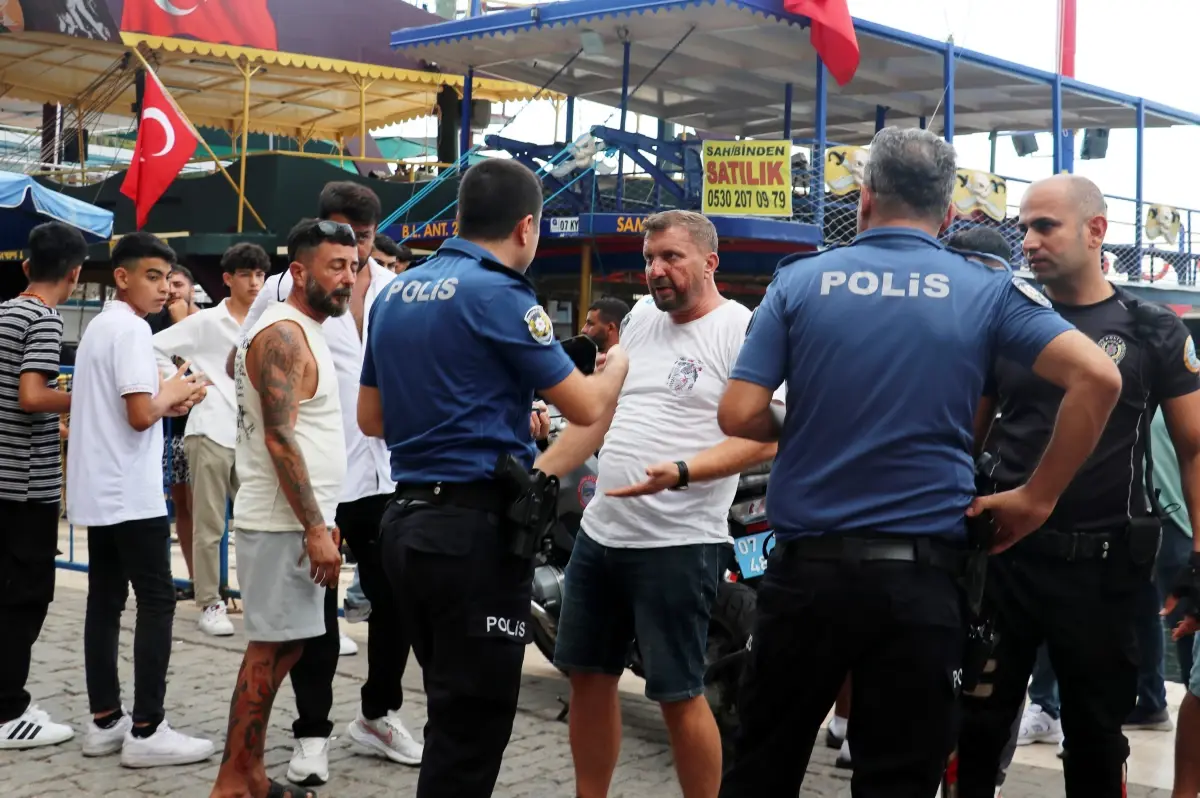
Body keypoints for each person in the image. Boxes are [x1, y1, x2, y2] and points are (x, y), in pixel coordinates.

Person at [714, 127, 1123, 798]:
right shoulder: (987, 290)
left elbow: (737, 416)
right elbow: (1099, 379)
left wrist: (805, 422)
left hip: (805, 579)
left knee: (763, 767)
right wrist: (1036, 498)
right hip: (920, 584)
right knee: (900, 779)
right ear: (951, 212)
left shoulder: (801, 281)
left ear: (866, 197)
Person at [357, 157, 630, 798]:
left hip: (405, 523)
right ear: (527, 227)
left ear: (458, 217)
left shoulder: (396, 291)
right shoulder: (502, 294)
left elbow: (371, 417)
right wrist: (614, 368)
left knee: (451, 712)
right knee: (472, 728)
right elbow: (586, 407)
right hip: (472, 536)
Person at [956, 174, 1200, 798]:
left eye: (1045, 226)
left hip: (1103, 568)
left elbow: (1197, 448)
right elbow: (966, 439)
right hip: (1005, 561)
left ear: (1096, 231)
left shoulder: (1151, 329)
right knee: (975, 728)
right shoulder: (1003, 321)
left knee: (1095, 736)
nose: (1029, 240)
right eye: (1023, 227)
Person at [533, 210, 781, 798]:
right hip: (602, 533)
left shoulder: (741, 330)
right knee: (589, 678)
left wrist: (684, 471)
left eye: (671, 257)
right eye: (649, 259)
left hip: (679, 541)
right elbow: (602, 414)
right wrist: (542, 474)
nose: (656, 271)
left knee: (677, 693)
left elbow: (767, 434)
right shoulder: (641, 318)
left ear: (709, 262)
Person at [234, 181, 423, 786]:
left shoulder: (395, 291)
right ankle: (311, 733)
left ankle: (378, 713)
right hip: (316, 480)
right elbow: (249, 365)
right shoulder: (283, 294)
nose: (357, 257)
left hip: (385, 471)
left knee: (396, 603)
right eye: (344, 243)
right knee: (316, 614)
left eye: (364, 242)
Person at [208, 218, 354, 798]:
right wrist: (315, 527)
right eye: (333, 267)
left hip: (294, 521)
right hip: (282, 524)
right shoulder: (286, 334)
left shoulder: (277, 327)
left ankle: (250, 774)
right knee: (269, 649)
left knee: (288, 644)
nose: (346, 278)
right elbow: (278, 436)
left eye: (352, 266)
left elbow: (231, 372)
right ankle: (232, 781)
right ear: (298, 272)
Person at [66, 231, 214, 767]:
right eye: (152, 276)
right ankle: (148, 729)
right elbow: (138, 414)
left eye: (167, 277)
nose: (163, 287)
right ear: (122, 276)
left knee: (104, 603)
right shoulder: (128, 330)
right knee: (155, 602)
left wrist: (166, 400)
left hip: (100, 488)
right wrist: (171, 396)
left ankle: (106, 719)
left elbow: (132, 405)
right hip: (130, 492)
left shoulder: (102, 327)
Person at [153, 243, 267, 637]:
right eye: (246, 275)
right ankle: (210, 602)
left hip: (254, 435)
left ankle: (258, 599)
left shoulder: (266, 321)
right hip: (211, 429)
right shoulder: (206, 322)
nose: (254, 282)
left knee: (259, 522)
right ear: (228, 279)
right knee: (209, 524)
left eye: (259, 275)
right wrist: (180, 386)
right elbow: (156, 346)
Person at [0, 222, 85, 750]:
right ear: (74, 275)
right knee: (25, 598)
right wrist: (89, 398)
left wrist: (55, 422)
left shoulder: (4, 312)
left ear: (28, 265)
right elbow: (31, 395)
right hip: (26, 486)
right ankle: (8, 712)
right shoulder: (44, 318)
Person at [147, 263, 200, 595]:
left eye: (179, 283)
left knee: (205, 506)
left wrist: (183, 319)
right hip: (174, 428)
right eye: (169, 283)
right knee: (182, 503)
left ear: (192, 287)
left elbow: (201, 366)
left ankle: (214, 581)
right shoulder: (157, 325)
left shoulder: (206, 320)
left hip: (206, 426)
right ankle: (196, 578)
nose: (173, 290)